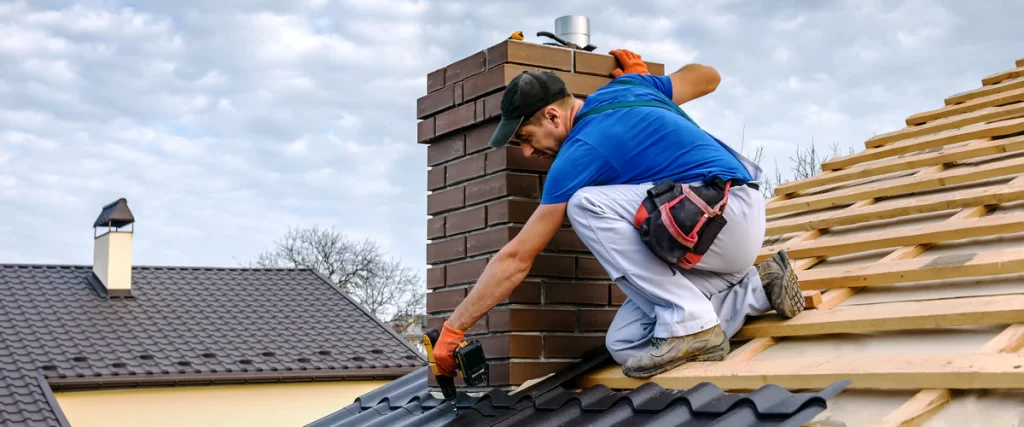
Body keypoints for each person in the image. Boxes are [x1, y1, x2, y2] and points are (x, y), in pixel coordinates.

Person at [431, 49, 803, 379]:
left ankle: (691, 322)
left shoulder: (579, 151)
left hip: (724, 214)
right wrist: (644, 80)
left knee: (585, 204)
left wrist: (454, 329)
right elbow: (709, 77)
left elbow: (516, 258)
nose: (527, 154)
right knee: (625, 344)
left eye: (526, 138)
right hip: (717, 242)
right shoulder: (631, 89)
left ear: (552, 116)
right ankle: (756, 289)